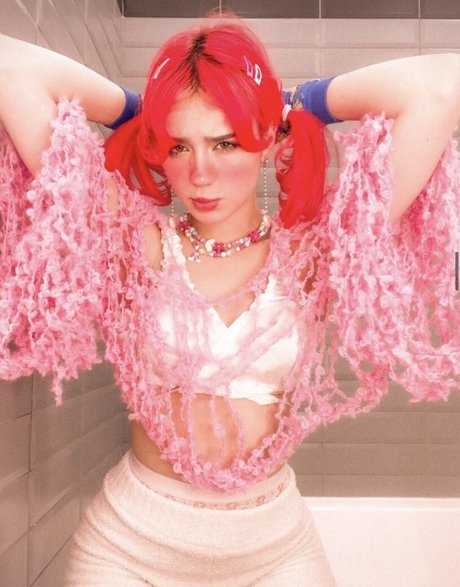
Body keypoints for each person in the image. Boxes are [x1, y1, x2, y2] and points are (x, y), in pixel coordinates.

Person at [1, 14, 459, 587]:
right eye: (178, 145)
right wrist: (136, 110)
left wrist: (296, 104)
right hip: (131, 545)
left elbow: (443, 84)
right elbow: (10, 66)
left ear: (267, 141)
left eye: (226, 141)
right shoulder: (137, 245)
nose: (200, 173)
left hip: (274, 549)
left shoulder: (312, 254)